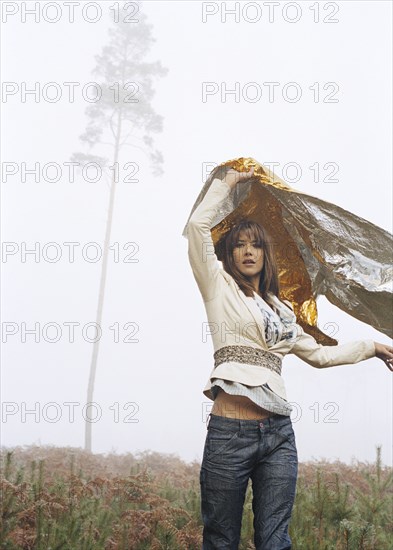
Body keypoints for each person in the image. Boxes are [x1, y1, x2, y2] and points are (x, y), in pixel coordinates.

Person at [186, 165, 393, 550]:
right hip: (229, 434)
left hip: (279, 434)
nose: (248, 252)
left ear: (267, 254)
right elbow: (197, 228)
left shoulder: (281, 310)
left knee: (275, 540)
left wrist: (372, 347)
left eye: (256, 245)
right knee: (220, 539)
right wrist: (226, 184)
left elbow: (318, 355)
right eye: (240, 245)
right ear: (229, 253)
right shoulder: (219, 287)